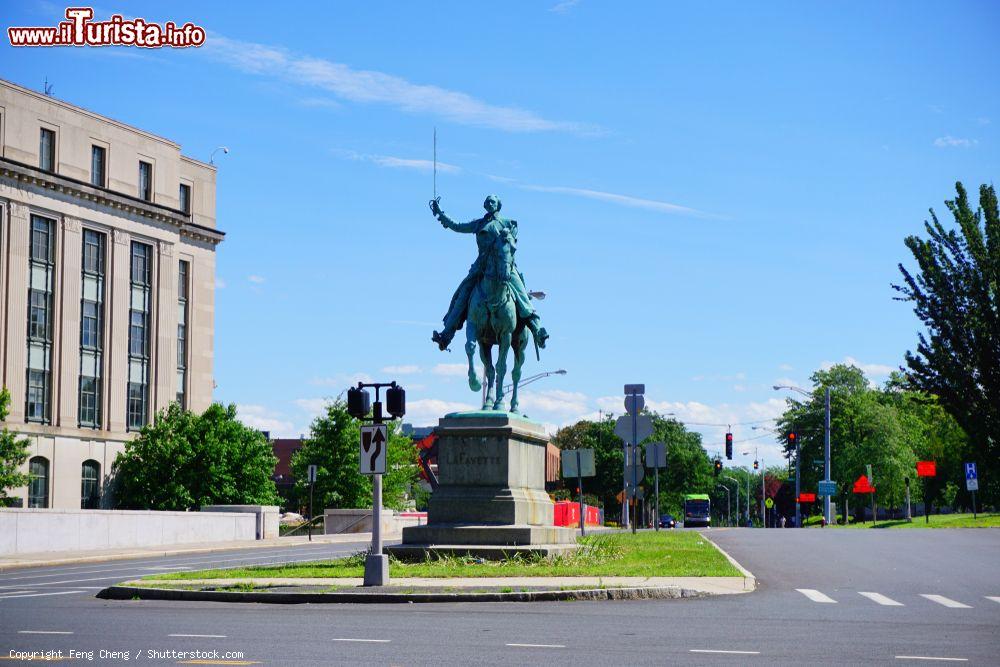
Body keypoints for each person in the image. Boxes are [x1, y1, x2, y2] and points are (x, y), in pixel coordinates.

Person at [429, 195, 548, 351]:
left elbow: (512, 245)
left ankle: (538, 330)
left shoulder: (508, 223)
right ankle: (446, 336)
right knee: (461, 296)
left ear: (498, 205)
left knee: (523, 297)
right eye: (488, 201)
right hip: (481, 267)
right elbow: (457, 226)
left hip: (505, 267)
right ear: (485, 205)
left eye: (493, 201)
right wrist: (441, 214)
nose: (490, 203)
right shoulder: (479, 224)